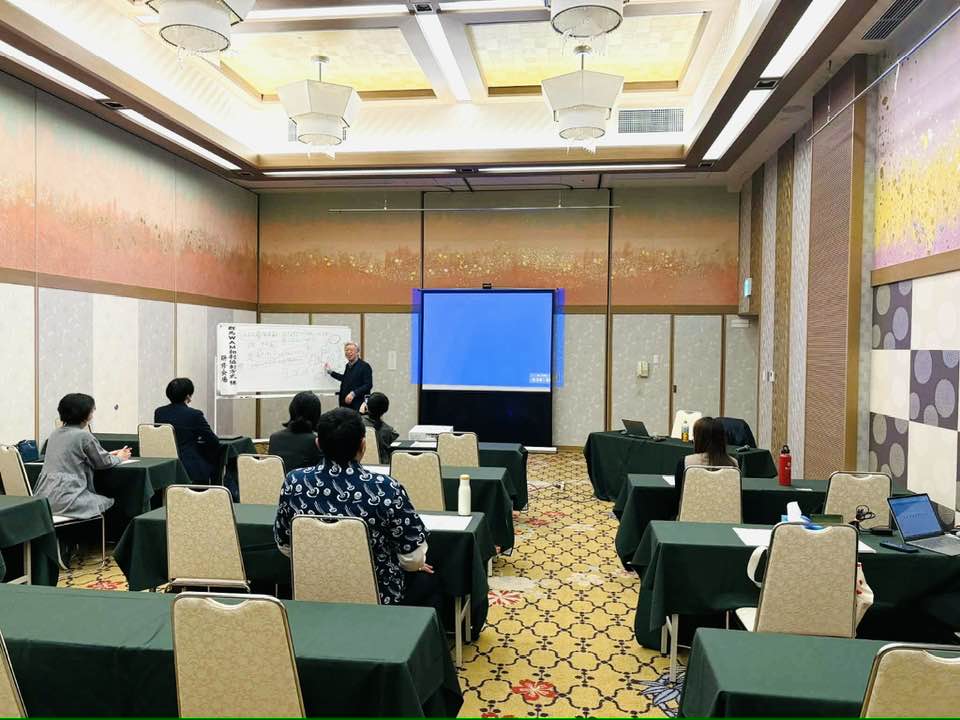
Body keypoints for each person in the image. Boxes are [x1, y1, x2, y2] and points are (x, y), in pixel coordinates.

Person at [274, 408, 440, 609]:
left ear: (318, 444)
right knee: (429, 578)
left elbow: (284, 544)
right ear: (363, 444)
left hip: (311, 591)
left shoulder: (294, 482)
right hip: (380, 596)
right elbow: (413, 559)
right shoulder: (385, 488)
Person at [35, 393, 132, 519]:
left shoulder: (54, 434)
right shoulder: (84, 436)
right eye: (92, 412)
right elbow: (103, 462)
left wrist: (108, 454)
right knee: (113, 501)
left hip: (44, 499)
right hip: (70, 498)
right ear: (85, 415)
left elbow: (73, 457)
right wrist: (120, 457)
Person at [154, 378, 220, 484]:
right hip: (190, 467)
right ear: (188, 396)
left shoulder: (159, 412)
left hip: (166, 466)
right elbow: (213, 440)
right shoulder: (194, 414)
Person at [674, 416, 739, 501]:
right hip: (725, 509)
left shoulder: (685, 463)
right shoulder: (734, 464)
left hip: (692, 509)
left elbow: (679, 497)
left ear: (698, 439)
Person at [268, 391, 323, 473]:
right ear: (316, 414)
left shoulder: (274, 438)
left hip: (277, 481)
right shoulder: (316, 441)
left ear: (292, 410)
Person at [324, 342, 372, 411]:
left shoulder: (364, 366)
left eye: (351, 350)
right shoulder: (348, 366)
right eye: (346, 350)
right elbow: (344, 379)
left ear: (357, 352)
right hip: (345, 405)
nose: (349, 352)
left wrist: (353, 393)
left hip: (358, 406)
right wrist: (330, 372)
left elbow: (368, 385)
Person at [360, 392, 398, 465]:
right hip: (383, 466)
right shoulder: (389, 431)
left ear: (367, 407)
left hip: (362, 465)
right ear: (385, 409)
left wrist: (361, 414)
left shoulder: (357, 424)